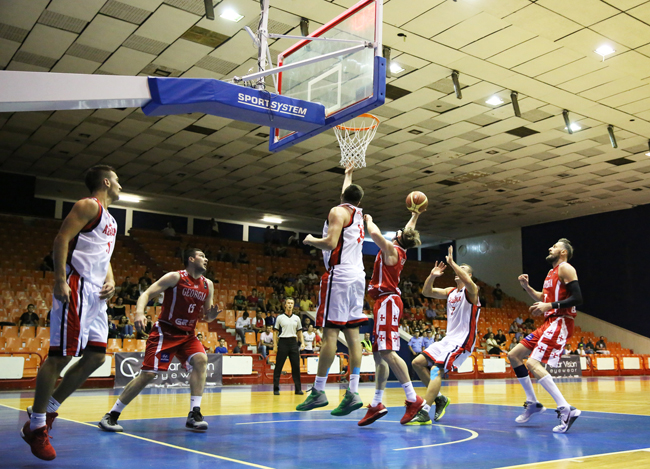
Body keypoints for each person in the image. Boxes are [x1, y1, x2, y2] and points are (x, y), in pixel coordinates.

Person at [22, 165, 120, 461]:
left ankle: (48, 411)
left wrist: (112, 279)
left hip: (97, 294)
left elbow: (104, 254)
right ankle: (37, 426)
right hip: (77, 285)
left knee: (96, 357)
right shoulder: (88, 205)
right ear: (105, 182)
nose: (120, 185)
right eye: (117, 180)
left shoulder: (112, 219)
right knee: (60, 356)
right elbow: (61, 239)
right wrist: (59, 279)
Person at [98, 248, 221, 433]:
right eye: (202, 256)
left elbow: (206, 316)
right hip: (166, 332)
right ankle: (111, 415)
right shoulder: (175, 277)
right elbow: (146, 294)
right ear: (190, 259)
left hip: (187, 335)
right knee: (148, 374)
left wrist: (210, 316)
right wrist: (139, 313)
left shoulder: (208, 285)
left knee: (201, 360)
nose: (206, 259)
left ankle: (194, 414)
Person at [297, 166, 367, 415]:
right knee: (353, 336)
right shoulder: (359, 214)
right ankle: (353, 392)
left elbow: (330, 242)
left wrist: (309, 240)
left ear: (342, 198)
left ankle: (318, 391)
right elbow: (346, 197)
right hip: (358, 277)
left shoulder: (337, 211)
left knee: (329, 335)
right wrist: (348, 175)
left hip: (339, 277)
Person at [357, 209, 425, 426]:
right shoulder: (399, 247)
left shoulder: (392, 250)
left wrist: (369, 219)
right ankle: (377, 403)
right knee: (379, 355)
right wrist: (415, 215)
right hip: (382, 303)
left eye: (398, 231)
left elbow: (375, 235)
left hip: (388, 301)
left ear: (398, 237)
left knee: (387, 352)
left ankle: (413, 399)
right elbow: (408, 231)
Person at [508, 238, 583, 433]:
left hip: (561, 320)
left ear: (564, 252)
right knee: (514, 355)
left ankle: (565, 409)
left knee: (533, 363)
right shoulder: (551, 273)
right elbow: (544, 297)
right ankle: (533, 403)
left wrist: (549, 306)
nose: (550, 248)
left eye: (555, 246)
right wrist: (527, 288)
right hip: (549, 322)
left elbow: (578, 298)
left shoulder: (566, 268)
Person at [409, 246, 480, 425]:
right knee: (417, 363)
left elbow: (469, 283)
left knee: (436, 370)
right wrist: (432, 276)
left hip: (463, 340)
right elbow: (426, 292)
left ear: (469, 276)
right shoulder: (450, 291)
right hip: (448, 339)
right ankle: (440, 398)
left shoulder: (471, 291)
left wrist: (452, 262)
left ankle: (424, 411)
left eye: (463, 270)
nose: (457, 271)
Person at [273, 298, 305, 395]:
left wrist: (302, 342)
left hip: (293, 342)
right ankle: (276, 388)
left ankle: (298, 389)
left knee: (296, 366)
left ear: (293, 305)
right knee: (279, 366)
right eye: (288, 303)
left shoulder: (297, 318)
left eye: (292, 303)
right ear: (285, 305)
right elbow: (275, 332)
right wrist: (275, 345)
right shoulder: (280, 318)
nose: (290, 305)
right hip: (283, 342)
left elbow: (300, 332)